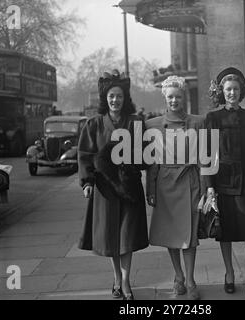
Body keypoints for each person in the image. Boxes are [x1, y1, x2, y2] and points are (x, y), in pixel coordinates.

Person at [77, 69, 149, 300]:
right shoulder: (94, 124)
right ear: (105, 99)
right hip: (105, 189)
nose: (115, 100)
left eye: (119, 96)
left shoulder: (136, 122)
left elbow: (146, 155)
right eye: (111, 96)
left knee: (127, 237)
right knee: (111, 238)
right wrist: (87, 182)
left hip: (129, 189)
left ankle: (126, 282)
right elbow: (85, 154)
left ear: (125, 98)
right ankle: (117, 277)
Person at [205, 67, 245, 300]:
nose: (232, 93)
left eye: (236, 89)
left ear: (242, 92)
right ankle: (229, 273)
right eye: (228, 89)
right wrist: (210, 186)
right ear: (222, 91)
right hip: (223, 183)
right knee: (226, 232)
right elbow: (208, 154)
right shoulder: (213, 118)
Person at [146, 76, 204, 300]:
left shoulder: (198, 123)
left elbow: (204, 159)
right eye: (170, 96)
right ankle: (178, 277)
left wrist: (207, 190)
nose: (174, 100)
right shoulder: (152, 125)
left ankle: (190, 281)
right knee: (171, 235)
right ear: (164, 97)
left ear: (184, 98)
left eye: (178, 97)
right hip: (165, 185)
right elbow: (152, 163)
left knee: (189, 236)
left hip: (190, 183)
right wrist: (150, 189)